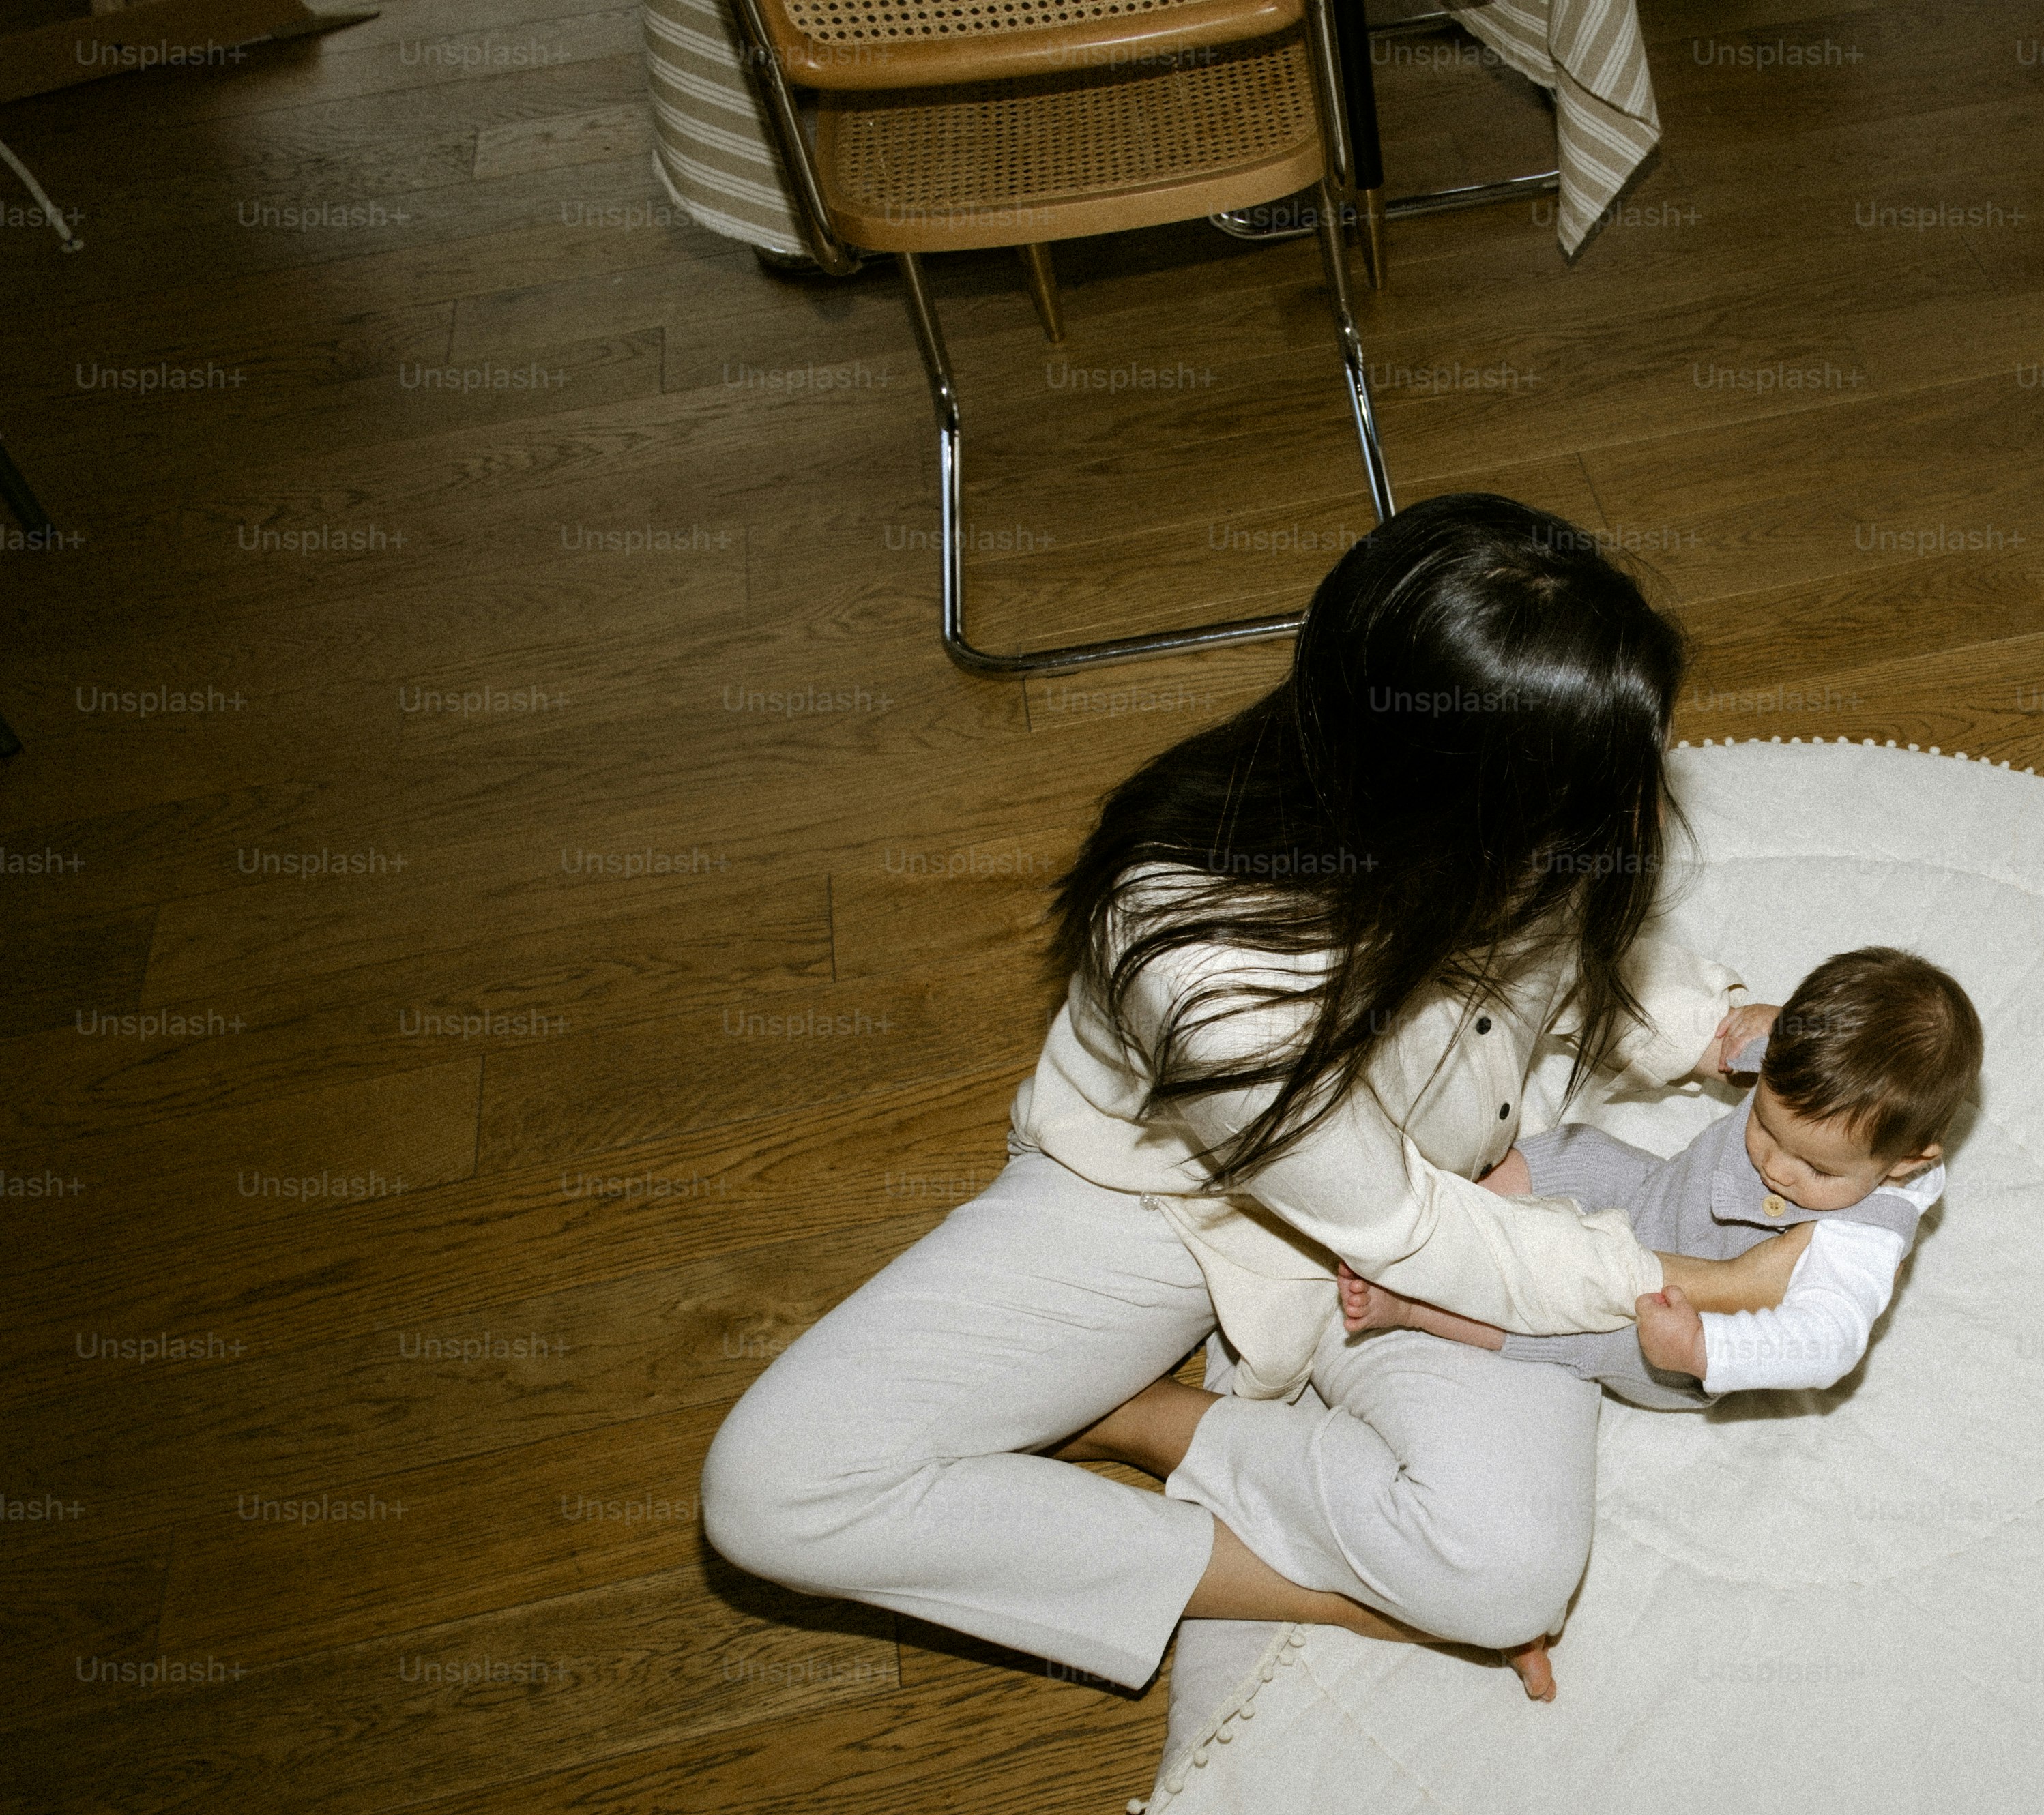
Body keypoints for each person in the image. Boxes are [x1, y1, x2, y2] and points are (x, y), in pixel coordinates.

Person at [699, 494, 1802, 1705]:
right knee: (776, 1489)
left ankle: (1152, 1421)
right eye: (1588, 807)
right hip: (1176, 1212)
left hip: (1451, 1180)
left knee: (1505, 1573)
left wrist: (1716, 1027)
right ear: (1446, 813)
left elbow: (1546, 979)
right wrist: (1681, 1283)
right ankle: (1323, 1592)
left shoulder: (1498, 822)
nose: (1629, 827)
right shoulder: (1200, 954)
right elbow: (1407, 1233)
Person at [1337, 946, 1979, 1411]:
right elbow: (1807, 1053)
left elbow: (1828, 1342)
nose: (1776, 1166)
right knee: (1576, 1149)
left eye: (1815, 1167)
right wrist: (1771, 1019)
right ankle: (1449, 1208)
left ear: (1906, 1161)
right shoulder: (1807, 1068)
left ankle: (1418, 1308)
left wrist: (1705, 1348)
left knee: (1581, 1329)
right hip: (1660, 1194)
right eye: (1764, 1125)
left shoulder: (1863, 1240)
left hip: (1671, 1317)